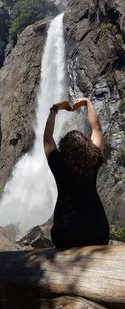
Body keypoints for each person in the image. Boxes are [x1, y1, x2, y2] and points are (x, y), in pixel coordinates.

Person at [43, 98, 109, 248]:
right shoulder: (94, 158)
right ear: (87, 145)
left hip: (65, 234)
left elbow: (47, 137)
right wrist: (87, 102)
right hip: (98, 232)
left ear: (63, 150)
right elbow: (97, 129)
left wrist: (55, 109)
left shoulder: (58, 163)